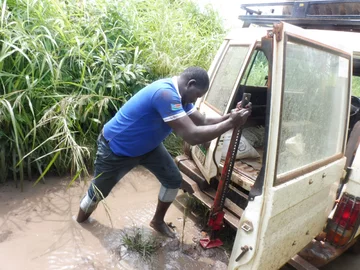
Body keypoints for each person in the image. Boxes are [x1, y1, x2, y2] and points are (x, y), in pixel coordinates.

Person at [76, 67, 251, 238]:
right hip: (117, 149)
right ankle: (79, 223)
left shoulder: (182, 97)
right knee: (97, 193)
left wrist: (230, 116)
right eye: (197, 95)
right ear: (190, 84)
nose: (196, 99)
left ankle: (157, 221)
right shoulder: (165, 94)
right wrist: (230, 124)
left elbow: (202, 120)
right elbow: (192, 136)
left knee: (173, 180)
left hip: (148, 147)